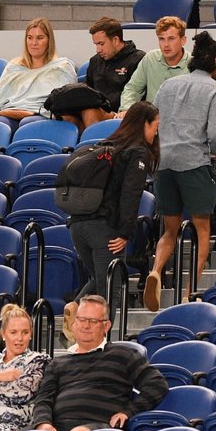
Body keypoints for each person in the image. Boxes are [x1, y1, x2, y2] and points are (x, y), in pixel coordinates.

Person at [143, 32, 216, 311]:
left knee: (170, 229)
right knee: (203, 229)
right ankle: (188, 291)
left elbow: (152, 120)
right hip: (194, 162)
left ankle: (156, 270)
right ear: (215, 62)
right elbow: (215, 134)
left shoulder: (168, 85)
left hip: (164, 162)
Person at [64, 101, 158, 340]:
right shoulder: (136, 152)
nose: (156, 132)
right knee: (110, 292)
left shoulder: (105, 145)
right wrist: (125, 233)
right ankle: (99, 346)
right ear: (143, 124)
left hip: (77, 225)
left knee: (99, 277)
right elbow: (131, 195)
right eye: (155, 126)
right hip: (104, 229)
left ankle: (76, 306)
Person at [31, 294, 168, 431]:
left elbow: (157, 383)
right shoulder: (58, 363)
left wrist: (129, 411)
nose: (86, 325)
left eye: (93, 321)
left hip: (99, 427)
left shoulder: (123, 355)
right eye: (81, 319)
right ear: (74, 323)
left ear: (106, 326)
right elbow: (43, 399)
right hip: (57, 427)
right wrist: (43, 423)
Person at [0, 18, 77, 122]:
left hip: (41, 114)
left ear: (49, 41)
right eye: (30, 38)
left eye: (39, 38)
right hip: (9, 111)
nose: (33, 43)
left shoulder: (62, 67)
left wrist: (31, 110)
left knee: (28, 122)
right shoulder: (14, 66)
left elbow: (63, 102)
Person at [118, 16, 193, 114]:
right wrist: (126, 109)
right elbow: (132, 89)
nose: (166, 44)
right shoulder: (150, 58)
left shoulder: (193, 64)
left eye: (171, 39)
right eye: (161, 39)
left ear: (183, 40)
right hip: (150, 120)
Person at [85, 17, 145, 117]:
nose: (98, 50)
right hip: (99, 111)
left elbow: (138, 94)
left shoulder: (139, 59)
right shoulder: (95, 61)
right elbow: (88, 92)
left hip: (125, 114)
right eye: (96, 44)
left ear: (116, 40)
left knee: (91, 113)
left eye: (101, 44)